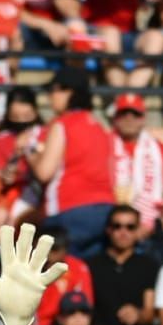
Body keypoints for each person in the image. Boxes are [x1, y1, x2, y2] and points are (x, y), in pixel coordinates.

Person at [27, 69, 118, 258]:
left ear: (69, 92)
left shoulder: (62, 124)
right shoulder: (101, 125)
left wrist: (30, 153)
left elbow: (44, 172)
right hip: (105, 209)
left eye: (53, 90)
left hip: (68, 209)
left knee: (57, 273)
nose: (50, 97)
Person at [89, 204, 158, 325]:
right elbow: (85, 307)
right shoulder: (90, 266)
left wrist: (138, 315)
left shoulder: (149, 265)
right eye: (117, 226)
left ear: (138, 231)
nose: (123, 232)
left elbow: (150, 312)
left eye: (130, 227)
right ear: (108, 229)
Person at [109, 93, 163, 236]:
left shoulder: (158, 149)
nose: (129, 119)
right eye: (124, 114)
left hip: (151, 223)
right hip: (111, 220)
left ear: (143, 119)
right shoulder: (103, 144)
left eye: (135, 114)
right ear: (115, 118)